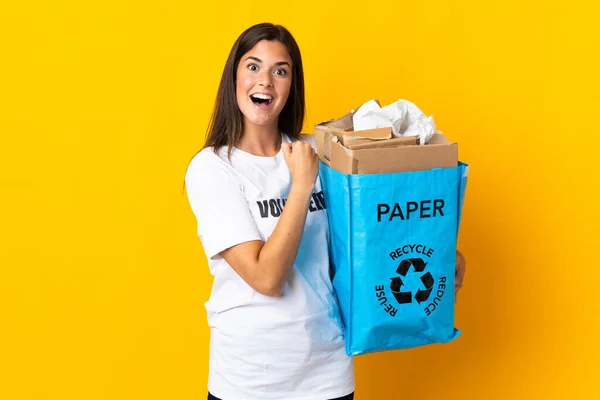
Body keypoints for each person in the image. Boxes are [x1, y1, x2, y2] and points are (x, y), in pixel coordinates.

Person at [185, 22, 466, 400]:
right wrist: (301, 184)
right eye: (253, 66)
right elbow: (266, 278)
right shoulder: (213, 168)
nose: (265, 80)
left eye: (280, 71)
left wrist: (439, 258)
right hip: (250, 378)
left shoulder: (320, 152)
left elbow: (365, 234)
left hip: (326, 372)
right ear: (233, 77)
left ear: (290, 87)